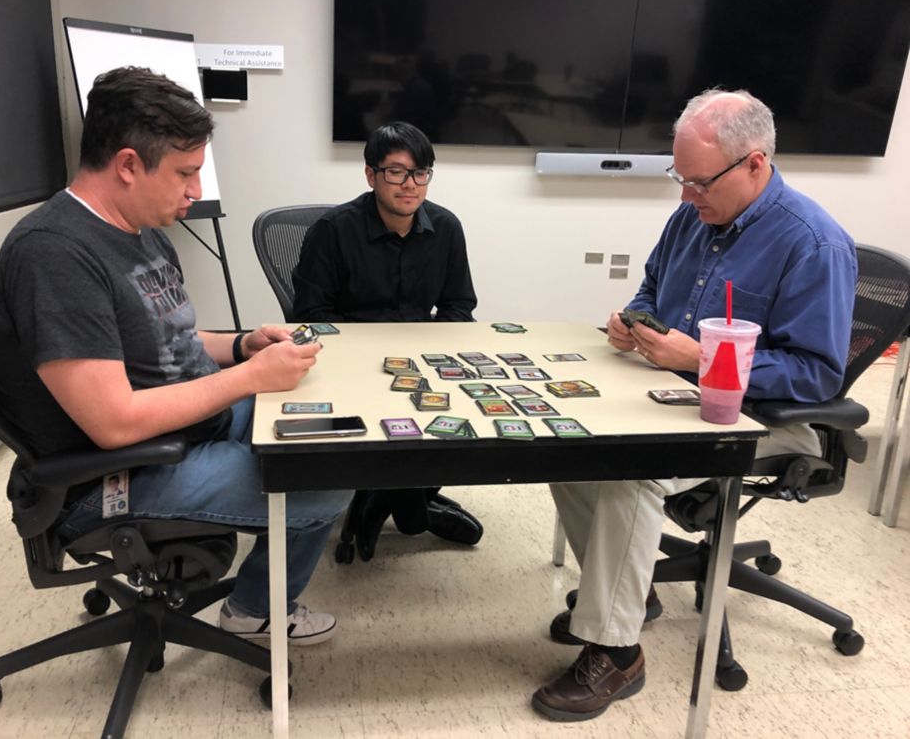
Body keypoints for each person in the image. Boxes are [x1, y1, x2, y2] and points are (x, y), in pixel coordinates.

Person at [0, 66, 353, 646]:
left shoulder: (140, 227)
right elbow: (112, 422)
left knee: (331, 436)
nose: (196, 191)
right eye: (185, 173)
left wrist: (240, 347)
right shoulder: (53, 256)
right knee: (324, 486)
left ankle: (256, 598)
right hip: (109, 475)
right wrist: (248, 379)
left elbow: (168, 339)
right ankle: (255, 611)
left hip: (183, 427)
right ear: (128, 165)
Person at [532, 89, 857, 721]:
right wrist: (636, 323)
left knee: (634, 470)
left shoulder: (814, 244)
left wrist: (699, 360)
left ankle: (616, 651)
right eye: (679, 179)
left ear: (755, 165)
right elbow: (653, 289)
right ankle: (629, 596)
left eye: (699, 181)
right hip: (677, 393)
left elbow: (816, 376)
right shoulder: (695, 216)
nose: (686, 196)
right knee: (566, 444)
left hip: (765, 421)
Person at [291, 120, 482, 559]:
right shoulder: (332, 231)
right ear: (371, 175)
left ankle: (387, 494)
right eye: (396, 172)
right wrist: (373, 357)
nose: (409, 184)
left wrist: (428, 356)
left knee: (470, 418)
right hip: (348, 365)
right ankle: (412, 512)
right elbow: (312, 318)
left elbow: (458, 307)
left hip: (421, 362)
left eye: (420, 173)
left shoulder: (447, 229)